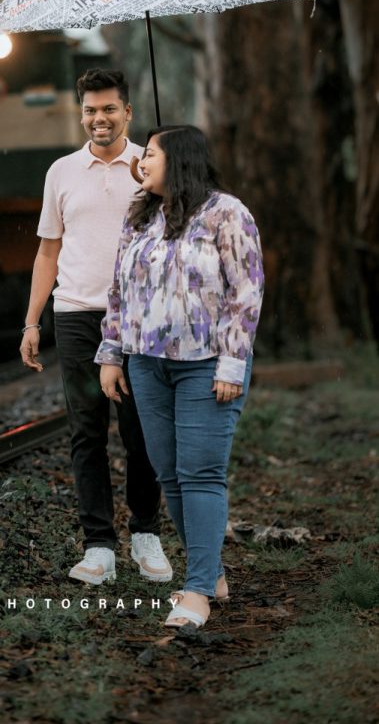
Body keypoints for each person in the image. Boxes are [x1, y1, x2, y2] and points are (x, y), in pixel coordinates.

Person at [97, 125, 264, 627]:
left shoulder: (226, 213)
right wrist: (111, 352)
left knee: (201, 474)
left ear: (180, 160)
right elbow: (119, 289)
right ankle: (208, 572)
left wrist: (232, 364)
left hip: (206, 365)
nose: (140, 162)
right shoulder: (140, 213)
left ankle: (196, 592)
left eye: (149, 154)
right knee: (168, 473)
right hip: (146, 363)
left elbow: (246, 291)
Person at [20, 68, 170, 585]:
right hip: (78, 314)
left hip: (139, 317)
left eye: (109, 109)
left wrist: (164, 180)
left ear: (127, 112)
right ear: (80, 114)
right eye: (89, 110)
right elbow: (47, 249)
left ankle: (146, 535)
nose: (98, 119)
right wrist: (31, 320)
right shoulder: (61, 172)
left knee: (141, 429)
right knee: (87, 431)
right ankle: (99, 545)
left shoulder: (151, 166)